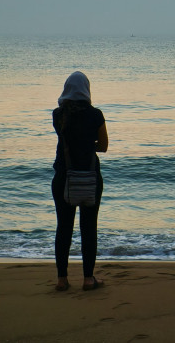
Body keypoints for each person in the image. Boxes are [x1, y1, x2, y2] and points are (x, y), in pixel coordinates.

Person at [51, 70, 109, 292]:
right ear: (87, 89)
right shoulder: (95, 115)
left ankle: (62, 280)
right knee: (88, 227)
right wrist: (88, 146)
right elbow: (103, 146)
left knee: (63, 227)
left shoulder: (58, 114)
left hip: (63, 178)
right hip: (90, 177)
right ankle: (88, 279)